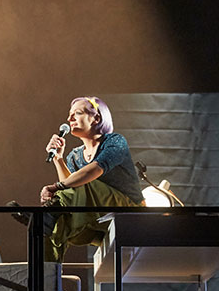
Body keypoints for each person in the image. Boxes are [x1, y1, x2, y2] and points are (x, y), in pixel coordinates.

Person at [13, 97, 144, 262]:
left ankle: (44, 217)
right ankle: (47, 273)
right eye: (69, 114)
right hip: (97, 219)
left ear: (96, 118)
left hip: (129, 213)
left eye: (78, 113)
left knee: (83, 182)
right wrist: (58, 159)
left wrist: (56, 187)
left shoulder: (115, 141)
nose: (69, 119)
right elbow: (71, 190)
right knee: (56, 227)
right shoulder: (74, 156)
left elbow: (92, 171)